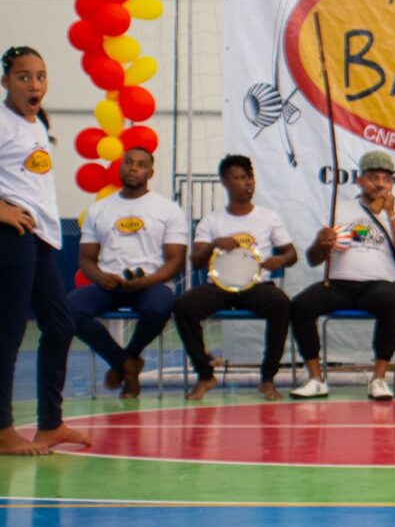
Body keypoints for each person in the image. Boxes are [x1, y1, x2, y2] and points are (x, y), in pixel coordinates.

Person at [0, 46, 90, 454]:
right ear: (6, 82)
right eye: (23, 77)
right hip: (11, 236)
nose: (34, 85)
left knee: (60, 325)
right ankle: (2, 430)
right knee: (10, 331)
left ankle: (50, 424)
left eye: (40, 76)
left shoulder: (34, 123)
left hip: (41, 238)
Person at [289, 151, 395, 401]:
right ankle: (316, 379)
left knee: (390, 300)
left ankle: (378, 379)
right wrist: (321, 242)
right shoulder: (340, 210)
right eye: (373, 177)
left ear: (391, 183)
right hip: (339, 283)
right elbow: (313, 258)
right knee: (301, 305)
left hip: (380, 285)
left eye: (385, 178)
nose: (380, 183)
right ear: (360, 180)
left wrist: (391, 216)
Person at [173, 155, 298, 401]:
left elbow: (291, 253)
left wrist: (280, 260)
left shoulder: (268, 218)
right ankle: (205, 375)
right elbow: (196, 261)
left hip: (256, 285)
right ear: (225, 182)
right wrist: (214, 245)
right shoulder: (212, 220)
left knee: (282, 304)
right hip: (218, 286)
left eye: (249, 177)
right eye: (239, 178)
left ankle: (267, 379)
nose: (247, 183)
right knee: (183, 306)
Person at [70, 147, 187, 399]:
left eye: (141, 164)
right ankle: (124, 363)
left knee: (158, 308)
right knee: (69, 309)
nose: (133, 168)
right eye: (129, 163)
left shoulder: (167, 209)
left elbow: (176, 261)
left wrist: (150, 280)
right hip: (110, 284)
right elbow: (86, 260)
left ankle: (129, 356)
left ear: (150, 172)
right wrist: (101, 277)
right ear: (120, 167)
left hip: (152, 283)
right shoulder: (98, 209)